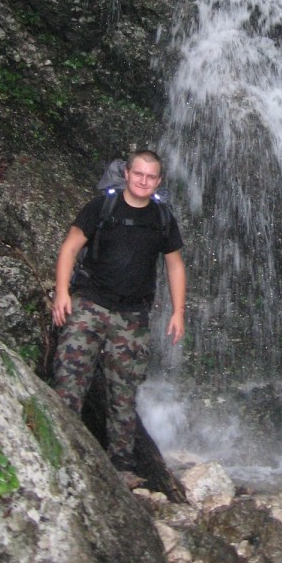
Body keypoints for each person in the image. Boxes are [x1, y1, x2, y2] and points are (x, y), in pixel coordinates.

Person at [51, 148, 185, 483]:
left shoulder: (162, 218)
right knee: (70, 379)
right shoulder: (102, 207)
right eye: (138, 174)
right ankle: (60, 451)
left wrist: (179, 311)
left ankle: (122, 466)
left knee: (123, 394)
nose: (143, 181)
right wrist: (62, 292)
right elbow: (69, 247)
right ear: (126, 173)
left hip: (133, 316)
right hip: (90, 305)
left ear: (158, 180)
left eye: (150, 176)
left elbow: (175, 265)